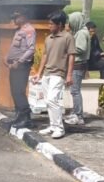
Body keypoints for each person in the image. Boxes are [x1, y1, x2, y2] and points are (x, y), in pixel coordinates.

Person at [31, 11, 76, 139]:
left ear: (60, 24)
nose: (49, 26)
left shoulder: (68, 37)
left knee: (52, 99)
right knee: (48, 101)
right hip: (47, 73)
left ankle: (59, 128)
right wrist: (39, 73)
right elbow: (45, 56)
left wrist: (69, 75)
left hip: (59, 73)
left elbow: (72, 56)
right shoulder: (48, 38)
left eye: (51, 24)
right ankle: (52, 125)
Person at [4, 10, 36, 128]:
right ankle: (18, 116)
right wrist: (7, 57)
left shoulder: (29, 30)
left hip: (22, 65)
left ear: (23, 17)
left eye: (16, 17)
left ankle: (26, 118)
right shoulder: (18, 30)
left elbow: (31, 49)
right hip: (14, 64)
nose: (14, 19)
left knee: (19, 91)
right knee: (14, 91)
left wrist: (19, 61)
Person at [64, 12, 90, 126]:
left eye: (71, 22)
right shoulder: (81, 32)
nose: (69, 25)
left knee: (75, 91)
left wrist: (68, 49)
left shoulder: (81, 33)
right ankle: (75, 112)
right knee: (75, 90)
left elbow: (81, 48)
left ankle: (78, 116)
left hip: (77, 65)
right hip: (79, 65)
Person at [86, 21, 104, 86]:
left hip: (93, 60)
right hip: (85, 62)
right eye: (91, 31)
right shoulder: (84, 38)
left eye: (94, 31)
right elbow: (87, 52)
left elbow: (98, 48)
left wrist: (102, 53)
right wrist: (98, 54)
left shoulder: (94, 37)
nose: (93, 33)